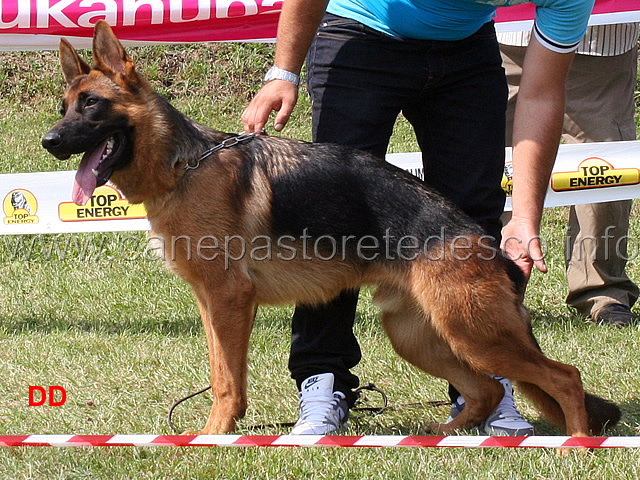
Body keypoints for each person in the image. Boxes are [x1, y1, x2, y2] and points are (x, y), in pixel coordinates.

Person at [242, 0, 594, 435]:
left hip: (466, 49)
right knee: (332, 222)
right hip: (361, 34)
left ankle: (481, 386)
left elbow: (541, 94)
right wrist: (283, 72)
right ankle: (323, 383)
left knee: (472, 220)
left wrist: (523, 218)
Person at [500, 23, 640, 328]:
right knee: (493, 160)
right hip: (508, 31)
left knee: (605, 162)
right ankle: (492, 286)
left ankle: (604, 291)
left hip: (601, 37)